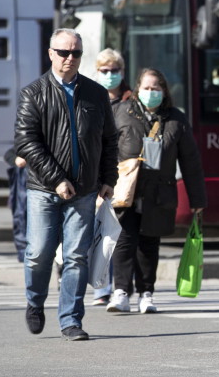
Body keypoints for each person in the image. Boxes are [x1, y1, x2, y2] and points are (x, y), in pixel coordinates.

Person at [14, 28, 118, 341]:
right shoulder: (33, 93)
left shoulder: (96, 94)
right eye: (63, 52)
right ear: (50, 54)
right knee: (39, 253)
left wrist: (108, 178)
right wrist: (57, 179)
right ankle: (34, 301)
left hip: (84, 190)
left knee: (76, 256)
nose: (69, 59)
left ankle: (71, 320)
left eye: (75, 53)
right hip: (44, 190)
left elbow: (109, 140)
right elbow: (25, 142)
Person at [106, 68, 206, 314]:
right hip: (126, 190)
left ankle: (146, 293)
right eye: (147, 88)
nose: (151, 93)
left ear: (164, 91)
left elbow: (190, 161)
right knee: (124, 239)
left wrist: (197, 198)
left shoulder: (175, 119)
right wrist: (103, 182)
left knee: (149, 242)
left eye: (156, 89)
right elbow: (105, 149)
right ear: (137, 90)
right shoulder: (121, 113)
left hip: (159, 192)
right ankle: (120, 291)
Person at [90, 48, 132, 306]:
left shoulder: (131, 101)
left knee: (118, 232)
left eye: (114, 71)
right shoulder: (92, 98)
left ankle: (120, 287)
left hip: (124, 175)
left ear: (122, 71)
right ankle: (100, 287)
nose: (109, 75)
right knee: (98, 231)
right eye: (104, 71)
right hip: (96, 172)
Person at [3, 148, 27, 263]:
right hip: (24, 193)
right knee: (22, 218)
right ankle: (23, 253)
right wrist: (16, 160)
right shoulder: (25, 144)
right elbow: (9, 154)